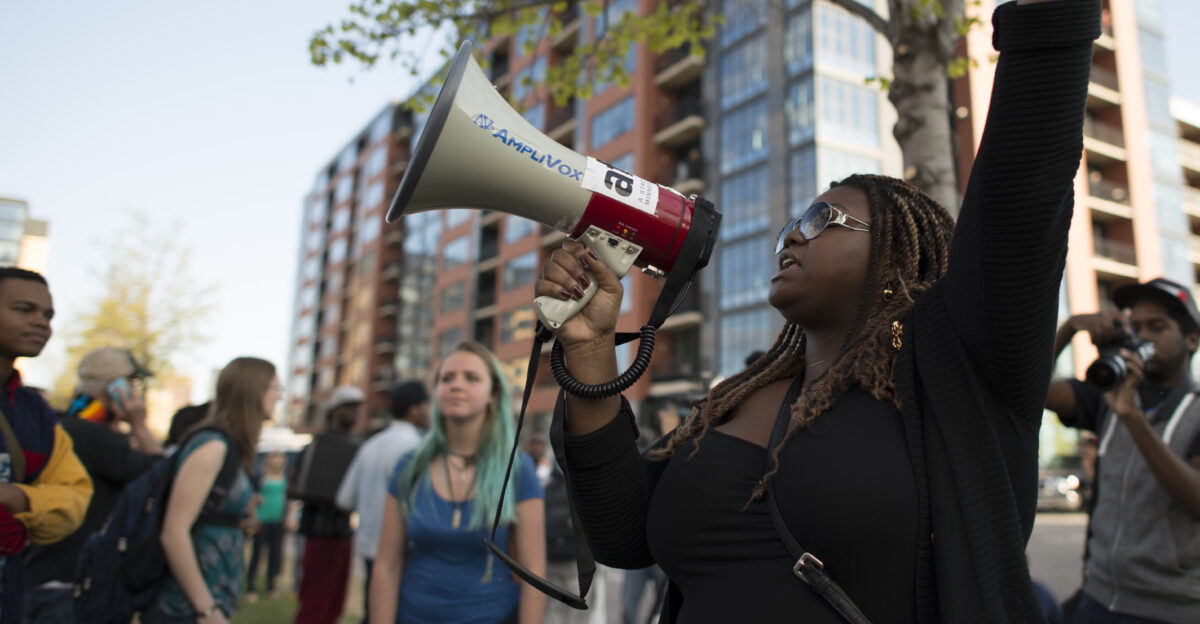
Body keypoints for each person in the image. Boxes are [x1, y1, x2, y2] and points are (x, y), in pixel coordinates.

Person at [534, 1, 1098, 622]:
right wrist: (588, 350)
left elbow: (1025, 185)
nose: (790, 238)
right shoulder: (742, 397)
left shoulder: (956, 375)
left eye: (819, 219)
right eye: (787, 228)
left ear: (898, 254)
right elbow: (623, 535)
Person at [1044, 277, 1200, 623]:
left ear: (1192, 339)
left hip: (1171, 611)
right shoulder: (1109, 396)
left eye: (1157, 327)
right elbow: (1028, 389)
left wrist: (1133, 420)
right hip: (1098, 598)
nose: (1143, 336)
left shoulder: (1192, 410)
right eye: (1136, 326)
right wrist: (1069, 329)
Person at [370, 341, 546, 624]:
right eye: (446, 378)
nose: (456, 385)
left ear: (493, 394)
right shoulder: (409, 466)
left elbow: (534, 570)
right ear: (436, 392)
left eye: (471, 377)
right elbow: (386, 566)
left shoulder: (517, 468)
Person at [24, 347, 162, 623]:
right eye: (132, 385)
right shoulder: (94, 436)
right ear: (116, 388)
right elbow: (161, 475)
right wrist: (139, 424)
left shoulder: (65, 426)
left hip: (37, 580)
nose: (136, 394)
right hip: (66, 588)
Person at [146, 356, 279, 623]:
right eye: (276, 388)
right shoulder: (213, 446)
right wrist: (206, 609)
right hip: (186, 608)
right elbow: (174, 532)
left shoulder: (231, 446)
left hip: (212, 599)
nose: (280, 397)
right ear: (253, 391)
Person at [0, 267, 92, 622]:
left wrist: (18, 498)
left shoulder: (33, 411)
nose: (42, 323)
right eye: (24, 310)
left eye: (48, 315)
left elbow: (74, 498)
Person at [336, 380, 429, 624]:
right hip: (401, 552)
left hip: (368, 546)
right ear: (414, 409)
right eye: (426, 405)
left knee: (373, 612)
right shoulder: (416, 447)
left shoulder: (370, 445)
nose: (431, 411)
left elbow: (344, 499)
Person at [293, 385, 362, 624]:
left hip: (343, 534)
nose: (355, 414)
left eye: (357, 408)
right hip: (318, 533)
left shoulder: (357, 448)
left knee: (334, 606)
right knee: (313, 605)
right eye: (349, 408)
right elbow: (297, 486)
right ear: (335, 410)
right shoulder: (316, 445)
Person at [245, 452, 288, 602]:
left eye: (279, 456)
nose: (276, 460)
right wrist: (252, 514)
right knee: (257, 553)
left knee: (274, 554)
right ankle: (250, 586)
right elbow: (251, 495)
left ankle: (271, 586)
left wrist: (289, 517)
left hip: (277, 521)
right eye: (273, 456)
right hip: (260, 520)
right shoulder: (260, 476)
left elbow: (287, 499)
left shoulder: (284, 477)